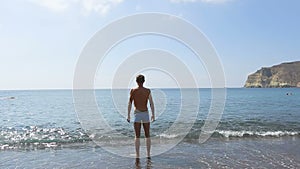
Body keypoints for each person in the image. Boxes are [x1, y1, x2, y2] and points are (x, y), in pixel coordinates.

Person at [127, 74, 155, 160]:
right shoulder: (147, 91)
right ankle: (148, 154)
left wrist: (128, 115)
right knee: (147, 135)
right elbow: (151, 103)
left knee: (137, 136)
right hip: (145, 114)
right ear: (144, 81)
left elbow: (130, 103)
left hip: (137, 114)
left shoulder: (133, 91)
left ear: (136, 81)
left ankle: (137, 154)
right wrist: (153, 114)